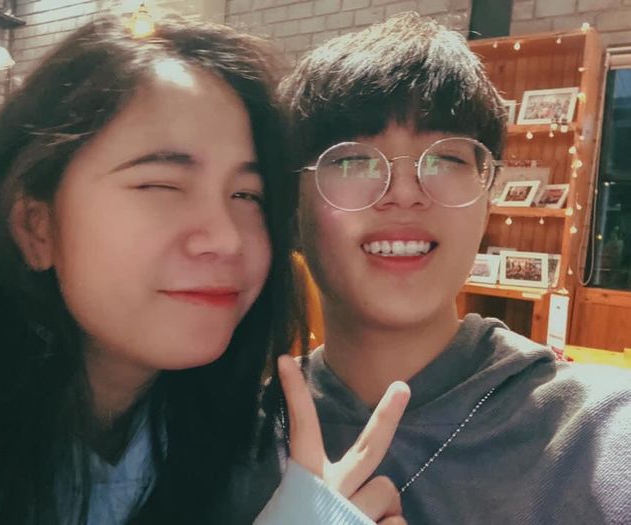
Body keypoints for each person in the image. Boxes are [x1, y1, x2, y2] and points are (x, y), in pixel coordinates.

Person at [0, 15, 408, 525]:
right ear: (36, 227)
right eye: (161, 185)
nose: (226, 239)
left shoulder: (235, 446)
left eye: (247, 195)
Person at [240, 12, 630, 524]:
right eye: (353, 159)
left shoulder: (602, 437)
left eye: (447, 158)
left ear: (487, 199)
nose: (405, 193)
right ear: (292, 208)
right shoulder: (226, 442)